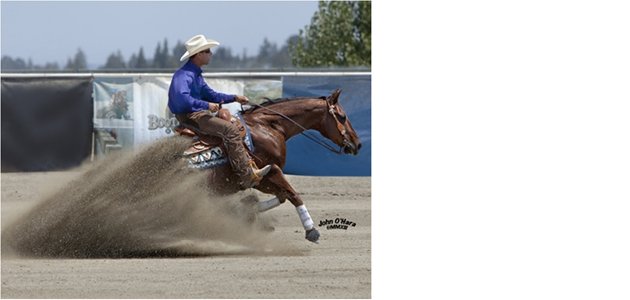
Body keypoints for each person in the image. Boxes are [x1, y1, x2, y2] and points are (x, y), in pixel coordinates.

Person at [168, 34, 271, 189]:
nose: (211, 54)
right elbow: (182, 100)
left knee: (229, 123)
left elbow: (212, 95)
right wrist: (206, 105)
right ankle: (247, 175)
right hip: (192, 116)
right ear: (199, 54)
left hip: (196, 113)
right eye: (208, 51)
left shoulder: (195, 74)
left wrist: (234, 98)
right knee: (230, 130)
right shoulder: (184, 75)